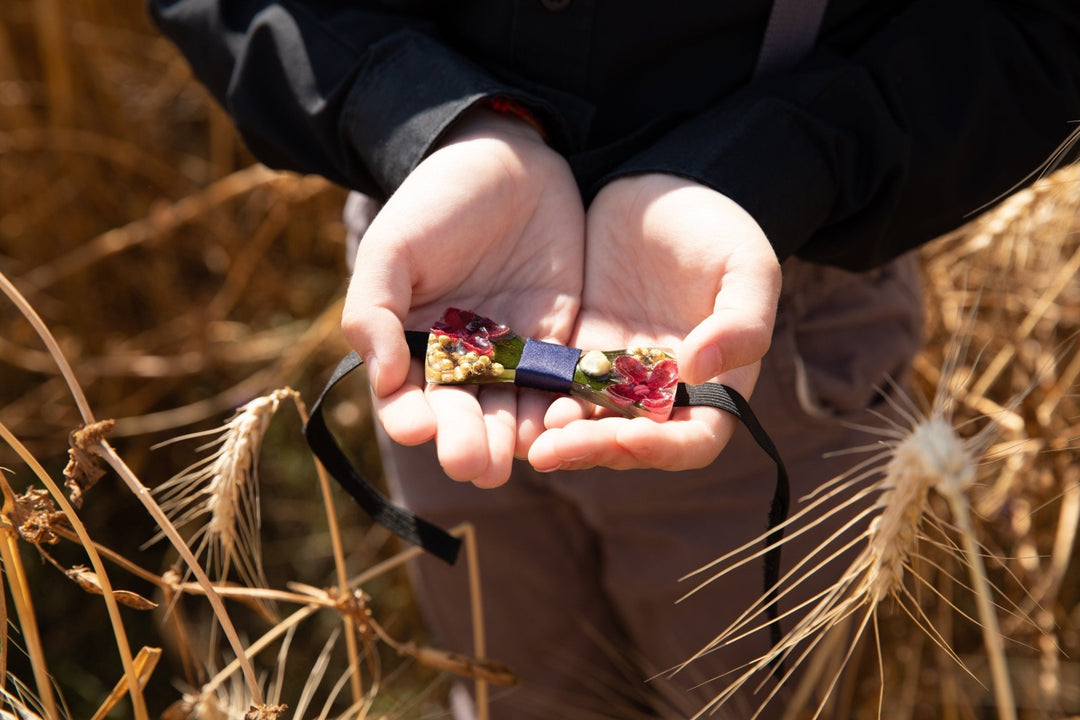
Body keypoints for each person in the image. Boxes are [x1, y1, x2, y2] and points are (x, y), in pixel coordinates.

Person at [149, 1, 1080, 717]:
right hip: (435, 263)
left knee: (752, 688)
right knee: (510, 668)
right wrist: (426, 121)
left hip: (760, 316)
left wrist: (777, 165)